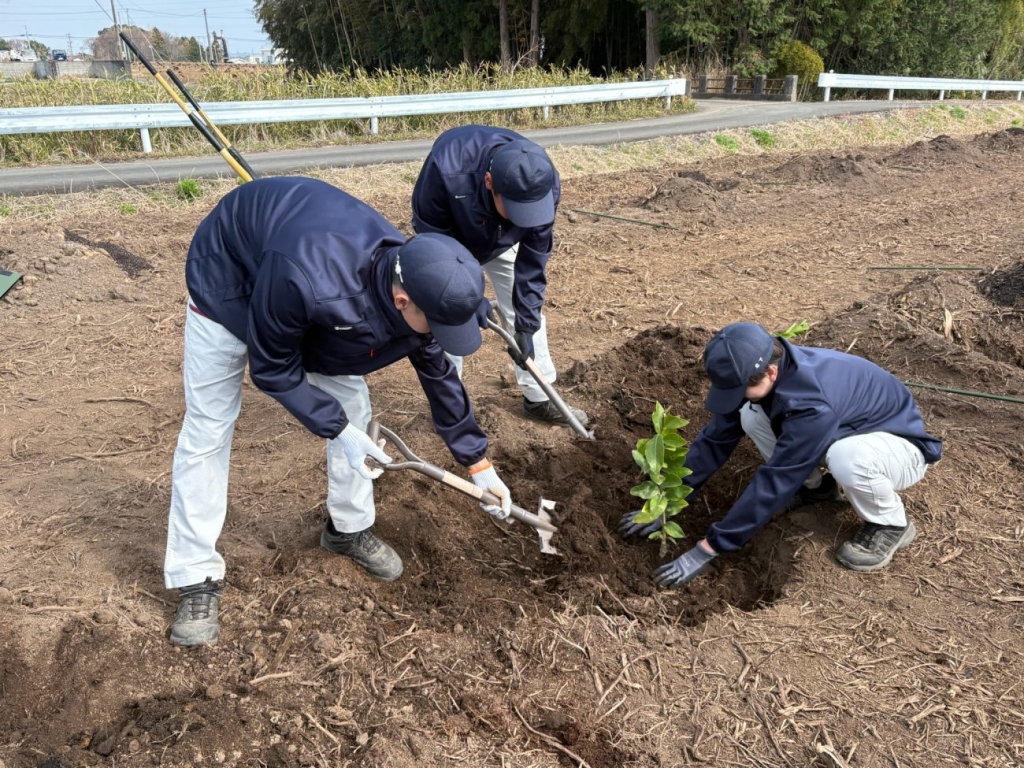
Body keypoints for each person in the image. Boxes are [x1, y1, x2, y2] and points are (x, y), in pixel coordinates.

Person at [166, 177, 515, 647]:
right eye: (435, 325)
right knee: (210, 425)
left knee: (354, 405)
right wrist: (338, 431)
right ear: (402, 300)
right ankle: (196, 576)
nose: (436, 336)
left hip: (303, 296)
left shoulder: (421, 277)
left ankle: (348, 530)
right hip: (229, 280)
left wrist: (479, 465)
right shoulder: (309, 278)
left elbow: (438, 375)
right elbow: (271, 369)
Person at [621, 322, 942, 586]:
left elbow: (776, 479)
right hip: (846, 428)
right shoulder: (766, 370)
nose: (733, 396)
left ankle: (891, 524)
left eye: (739, 389)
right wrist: (667, 500)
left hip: (898, 447)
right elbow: (715, 441)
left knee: (848, 458)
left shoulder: (810, 403)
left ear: (771, 373)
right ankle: (817, 490)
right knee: (750, 413)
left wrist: (709, 547)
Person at [411, 124, 588, 427]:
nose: (527, 215)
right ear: (490, 182)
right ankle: (449, 406)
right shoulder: (445, 170)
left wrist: (527, 326)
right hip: (450, 238)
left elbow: (533, 263)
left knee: (525, 314)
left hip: (502, 238)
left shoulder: (542, 182)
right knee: (447, 313)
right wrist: (469, 295)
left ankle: (539, 396)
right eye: (517, 208)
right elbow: (431, 238)